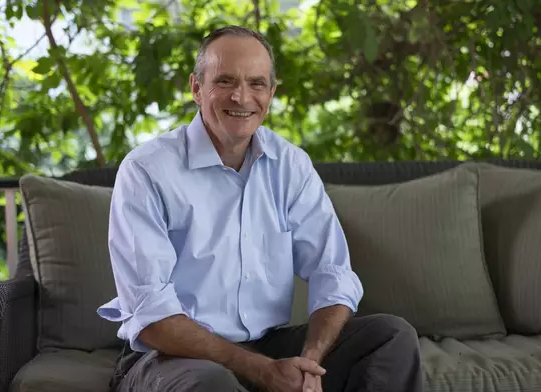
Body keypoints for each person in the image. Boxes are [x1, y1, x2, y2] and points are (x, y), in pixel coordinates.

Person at [97, 25, 423, 392]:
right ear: (196, 88)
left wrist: (309, 364)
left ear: (271, 92)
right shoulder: (148, 170)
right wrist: (262, 371)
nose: (242, 97)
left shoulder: (290, 165)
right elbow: (153, 316)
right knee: (211, 383)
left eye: (256, 83)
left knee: (391, 337)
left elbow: (332, 273)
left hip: (267, 345)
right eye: (225, 81)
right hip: (170, 357)